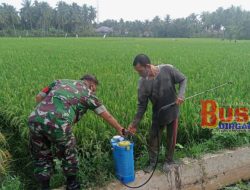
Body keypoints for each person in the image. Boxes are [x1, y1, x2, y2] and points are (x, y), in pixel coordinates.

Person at [28, 74, 125, 190]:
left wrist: (45, 113)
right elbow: (106, 116)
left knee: (41, 155)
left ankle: (44, 187)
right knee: (69, 154)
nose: (94, 91)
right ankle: (72, 185)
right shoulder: (88, 94)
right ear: (92, 86)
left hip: (34, 119)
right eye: (95, 89)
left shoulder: (59, 81)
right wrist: (120, 128)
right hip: (59, 123)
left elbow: (39, 97)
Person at [128, 54, 187, 173]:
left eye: (140, 71)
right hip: (158, 114)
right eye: (137, 72)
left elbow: (183, 79)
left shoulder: (167, 69)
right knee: (153, 138)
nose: (139, 74)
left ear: (148, 66)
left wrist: (181, 95)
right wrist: (134, 124)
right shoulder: (143, 83)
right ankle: (152, 163)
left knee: (171, 138)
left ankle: (168, 161)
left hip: (172, 111)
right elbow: (141, 106)